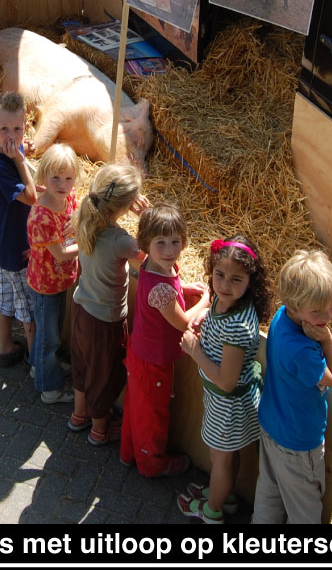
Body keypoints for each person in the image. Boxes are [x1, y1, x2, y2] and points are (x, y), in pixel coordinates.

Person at [178, 237, 271, 523]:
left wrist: (195, 351)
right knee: (227, 456)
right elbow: (217, 305)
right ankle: (226, 497)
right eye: (219, 275)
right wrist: (207, 313)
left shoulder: (239, 327)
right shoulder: (226, 301)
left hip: (228, 404)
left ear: (250, 282)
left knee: (222, 460)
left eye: (235, 279)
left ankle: (212, 511)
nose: (224, 285)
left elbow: (227, 381)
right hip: (225, 402)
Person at [250, 250, 332, 525]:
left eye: (331, 307)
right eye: (317, 311)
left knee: (269, 491)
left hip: (271, 425)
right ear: (293, 305)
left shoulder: (282, 317)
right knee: (304, 509)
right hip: (298, 443)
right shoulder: (302, 351)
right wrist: (327, 341)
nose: (327, 316)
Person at [121, 204, 209, 477]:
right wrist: (206, 300)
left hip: (140, 352)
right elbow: (183, 322)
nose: (170, 250)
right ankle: (152, 463)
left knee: (136, 405)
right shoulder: (160, 288)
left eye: (175, 242)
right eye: (161, 243)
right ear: (147, 243)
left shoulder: (154, 265)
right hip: (154, 362)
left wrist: (183, 288)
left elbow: (167, 287)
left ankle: (128, 452)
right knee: (154, 413)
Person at [70, 163, 147, 445]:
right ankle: (99, 430)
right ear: (128, 206)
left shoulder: (84, 217)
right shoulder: (121, 241)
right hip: (106, 321)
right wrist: (147, 217)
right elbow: (150, 256)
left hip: (80, 309)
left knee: (83, 366)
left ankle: (79, 415)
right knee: (104, 376)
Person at [26, 143, 84, 404]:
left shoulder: (68, 199)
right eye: (56, 178)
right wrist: (88, 244)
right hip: (45, 284)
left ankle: (41, 367)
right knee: (48, 336)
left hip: (60, 280)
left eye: (69, 178)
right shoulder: (42, 215)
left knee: (51, 331)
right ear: (44, 177)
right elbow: (60, 253)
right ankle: (49, 388)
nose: (63, 184)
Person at [0, 92, 38, 368]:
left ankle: (6, 347)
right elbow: (31, 198)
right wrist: (20, 161)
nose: (11, 135)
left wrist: (21, 155)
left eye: (17, 129)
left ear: (25, 127)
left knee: (2, 294)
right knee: (26, 305)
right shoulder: (0, 165)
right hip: (15, 246)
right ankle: (33, 357)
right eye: (4, 129)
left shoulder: (5, 153)